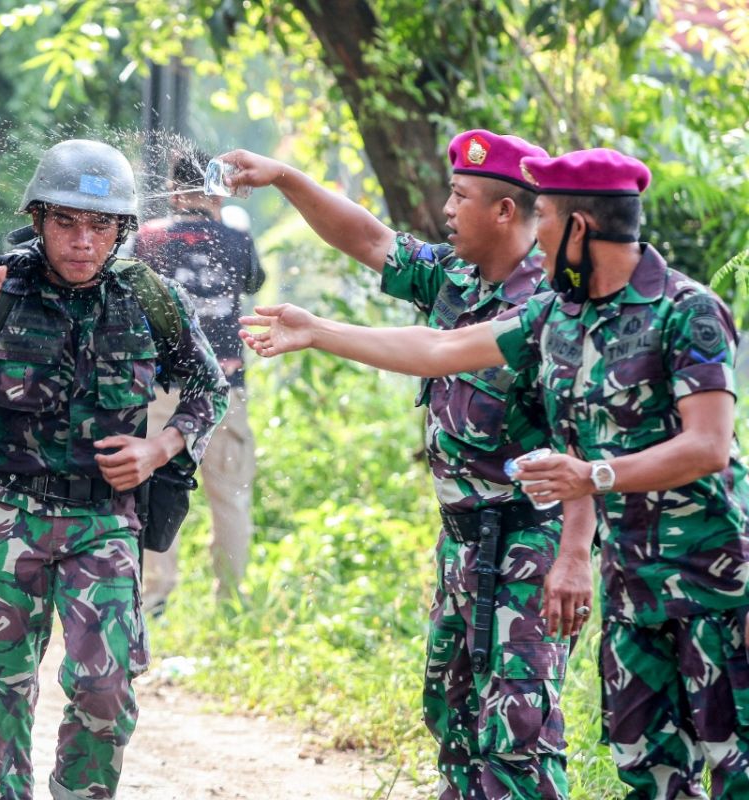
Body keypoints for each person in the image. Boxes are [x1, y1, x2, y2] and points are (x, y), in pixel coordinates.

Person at [241, 147, 749, 799]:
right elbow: (442, 348)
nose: (536, 236)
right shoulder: (557, 316)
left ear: (578, 228)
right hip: (628, 579)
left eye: (545, 219)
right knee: (643, 765)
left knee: (731, 760)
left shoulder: (687, 309)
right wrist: (318, 330)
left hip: (710, 575)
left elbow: (708, 447)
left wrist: (587, 488)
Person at [219, 132, 597, 800]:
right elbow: (369, 240)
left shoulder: (551, 305)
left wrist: (575, 553)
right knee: (452, 720)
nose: (447, 208)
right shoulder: (454, 273)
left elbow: (579, 436)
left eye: (460, 196)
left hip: (528, 541)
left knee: (518, 738)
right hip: (460, 540)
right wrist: (285, 177)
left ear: (506, 212)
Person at [0, 139, 228, 800]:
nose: (83, 240)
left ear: (122, 230)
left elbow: (208, 389)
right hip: (9, 515)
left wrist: (157, 450)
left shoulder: (146, 297)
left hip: (104, 520)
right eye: (66, 222)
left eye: (100, 225)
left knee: (106, 692)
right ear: (40, 220)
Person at [133, 148, 266, 610]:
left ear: (172, 190)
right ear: (218, 189)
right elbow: (254, 282)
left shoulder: (147, 238)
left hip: (160, 388)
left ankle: (154, 597)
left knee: (152, 483)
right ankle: (231, 597)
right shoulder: (236, 240)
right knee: (229, 495)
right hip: (224, 386)